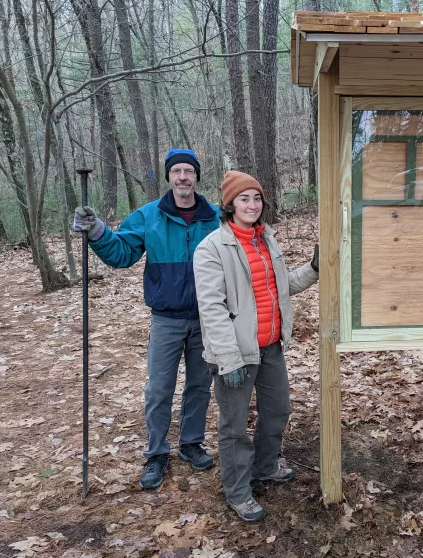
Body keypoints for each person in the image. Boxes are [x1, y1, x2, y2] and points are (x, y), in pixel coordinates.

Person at [72, 149, 220, 490]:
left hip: (206, 319)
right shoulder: (149, 216)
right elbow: (122, 253)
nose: (183, 177)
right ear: (168, 177)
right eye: (177, 171)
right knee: (159, 389)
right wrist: (95, 230)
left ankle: (191, 443)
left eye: (189, 171)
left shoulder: (214, 217)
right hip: (166, 319)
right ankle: (156, 453)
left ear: (197, 176)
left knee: (200, 385)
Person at [193, 170, 319, 523]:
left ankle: (266, 466)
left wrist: (313, 268)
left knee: (277, 412)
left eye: (257, 198)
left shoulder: (266, 240)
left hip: (271, 346)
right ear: (229, 205)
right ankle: (237, 491)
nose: (251, 204)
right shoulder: (212, 248)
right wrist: (229, 361)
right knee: (234, 426)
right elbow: (212, 308)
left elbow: (281, 286)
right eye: (244, 198)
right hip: (236, 353)